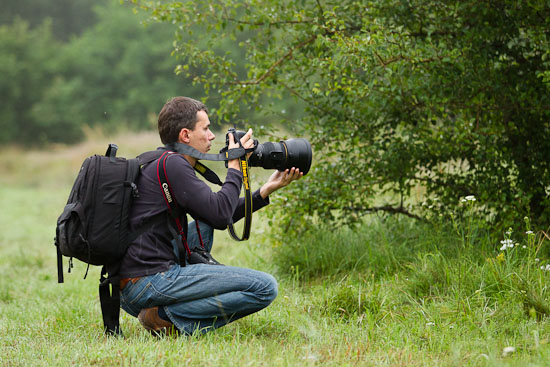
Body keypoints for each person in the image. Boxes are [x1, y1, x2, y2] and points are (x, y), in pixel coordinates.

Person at [118, 96, 303, 336]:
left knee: (203, 223)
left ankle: (161, 310)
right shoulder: (174, 165)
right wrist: (235, 165)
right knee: (264, 287)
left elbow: (214, 211)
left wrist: (264, 192)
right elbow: (219, 215)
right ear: (185, 135)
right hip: (149, 282)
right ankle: (165, 317)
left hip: (129, 288)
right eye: (205, 128)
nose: (212, 135)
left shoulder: (159, 160)